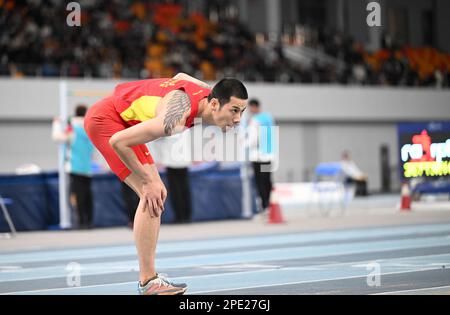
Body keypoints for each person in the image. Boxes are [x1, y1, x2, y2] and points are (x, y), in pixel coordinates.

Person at [84, 73, 248, 295]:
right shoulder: (174, 120)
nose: (238, 119)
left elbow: (180, 76)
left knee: (157, 191)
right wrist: (145, 179)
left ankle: (149, 280)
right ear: (215, 104)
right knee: (150, 191)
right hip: (107, 120)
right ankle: (148, 282)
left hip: (121, 118)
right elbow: (118, 141)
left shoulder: (207, 92)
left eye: (242, 111)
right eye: (234, 110)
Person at [52, 105, 95, 229]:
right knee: (88, 196)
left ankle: (82, 222)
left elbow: (57, 138)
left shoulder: (73, 129)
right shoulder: (89, 130)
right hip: (87, 168)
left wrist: (56, 124)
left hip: (75, 168)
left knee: (79, 196)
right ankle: (89, 221)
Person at [149, 131, 193, 224]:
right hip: (182, 161)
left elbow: (158, 137)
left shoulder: (170, 127)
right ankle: (185, 216)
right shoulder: (185, 127)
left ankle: (180, 216)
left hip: (173, 162)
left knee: (177, 191)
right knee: (184, 189)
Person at [247, 99, 275, 214]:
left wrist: (243, 143)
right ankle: (269, 205)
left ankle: (263, 207)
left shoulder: (255, 120)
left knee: (260, 182)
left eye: (250, 108)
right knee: (267, 180)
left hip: (258, 158)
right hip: (269, 156)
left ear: (254, 107)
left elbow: (253, 140)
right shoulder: (269, 118)